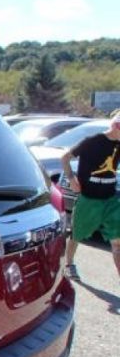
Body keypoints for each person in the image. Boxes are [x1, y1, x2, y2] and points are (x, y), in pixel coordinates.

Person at [61, 111, 120, 281]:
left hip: (110, 200)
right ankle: (69, 264)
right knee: (77, 235)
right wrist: (72, 179)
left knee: (117, 243)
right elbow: (65, 157)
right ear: (117, 126)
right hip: (89, 198)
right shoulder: (93, 141)